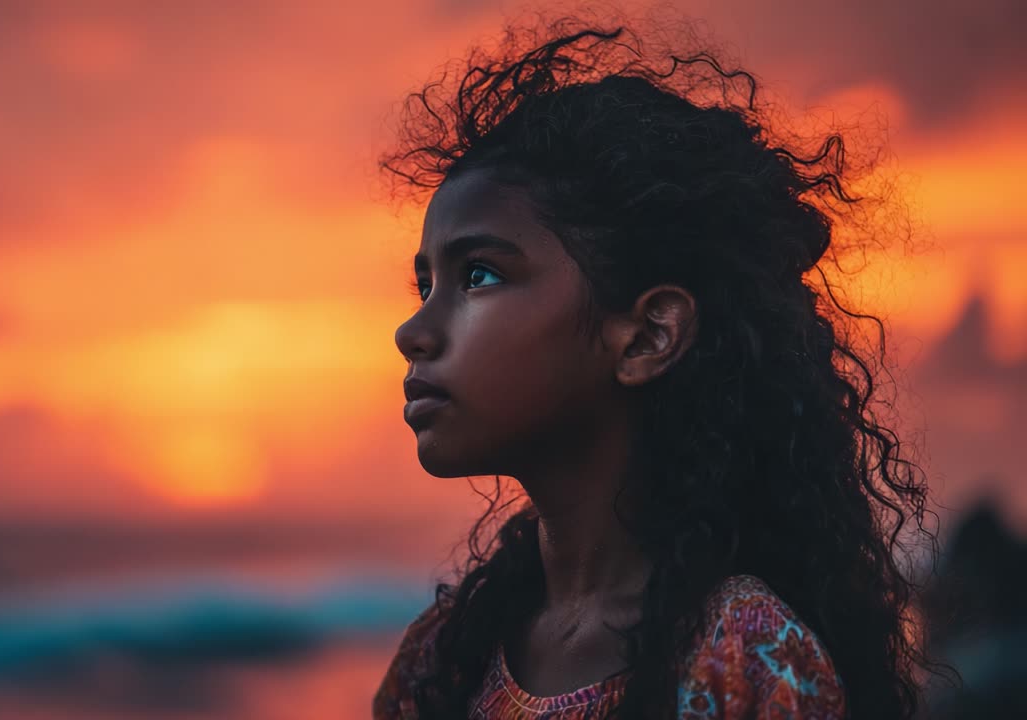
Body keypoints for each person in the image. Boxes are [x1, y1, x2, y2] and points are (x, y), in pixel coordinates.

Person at [372, 13, 937, 720]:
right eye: (426, 285)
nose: (413, 332)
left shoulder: (743, 657)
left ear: (647, 337)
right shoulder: (441, 660)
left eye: (479, 275)